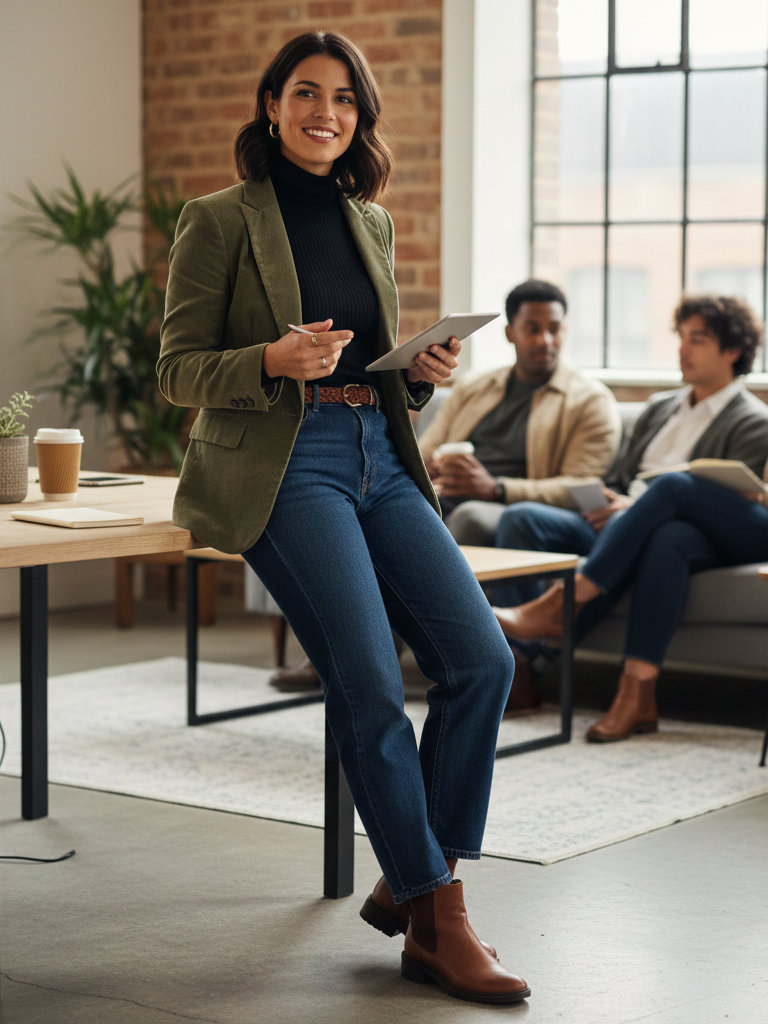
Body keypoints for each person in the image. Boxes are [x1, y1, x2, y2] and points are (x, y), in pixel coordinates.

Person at [158, 31, 529, 1004]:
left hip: (381, 453)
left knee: (482, 660)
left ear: (360, 118)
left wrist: (413, 371)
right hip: (289, 464)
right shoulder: (219, 218)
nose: (327, 112)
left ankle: (412, 876)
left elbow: (373, 367)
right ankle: (438, 918)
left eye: (345, 100)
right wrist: (268, 364)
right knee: (367, 679)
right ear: (272, 103)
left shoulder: (370, 223)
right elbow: (177, 370)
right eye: (307, 93)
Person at [493, 295, 768, 741]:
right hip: (634, 522)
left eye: (696, 340)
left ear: (732, 351)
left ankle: (564, 606)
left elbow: (727, 500)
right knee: (525, 517)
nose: (683, 349)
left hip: (714, 532)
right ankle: (523, 668)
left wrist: (638, 507)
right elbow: (624, 478)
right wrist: (614, 501)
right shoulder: (661, 407)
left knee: (673, 494)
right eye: (681, 338)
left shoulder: (753, 421)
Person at [417, 279, 621, 712]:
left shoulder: (589, 401)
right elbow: (424, 449)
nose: (545, 339)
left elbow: (581, 485)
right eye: (533, 328)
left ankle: (516, 664)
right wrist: (434, 467)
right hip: (450, 496)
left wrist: (495, 488)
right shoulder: (475, 388)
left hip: (513, 507)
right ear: (510, 331)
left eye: (555, 328)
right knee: (389, 518)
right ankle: (347, 657)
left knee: (469, 516)